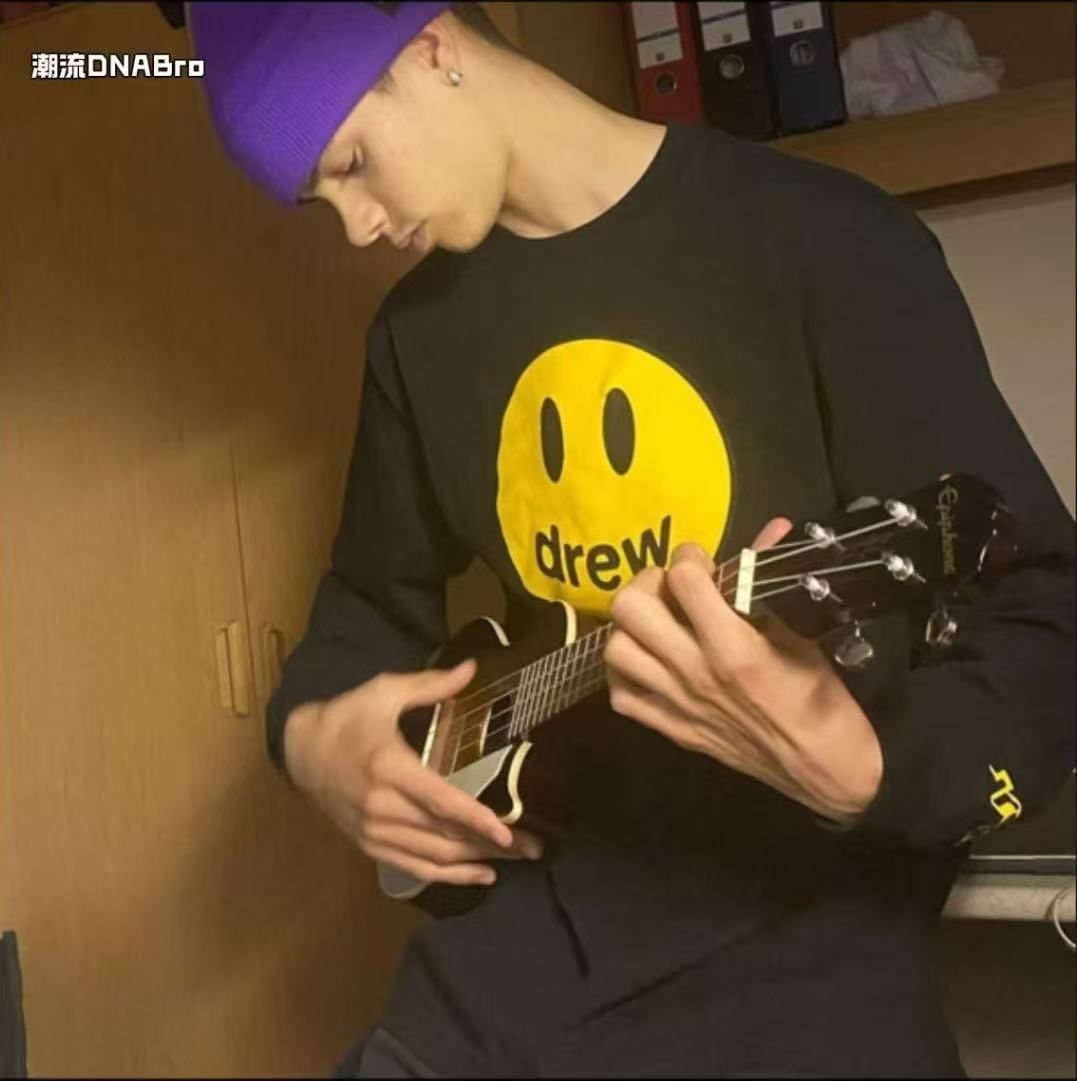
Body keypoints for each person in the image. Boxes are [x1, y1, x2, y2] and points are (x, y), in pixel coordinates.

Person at [189, 3, 1075, 1076]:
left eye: (352, 167)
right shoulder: (413, 338)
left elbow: (1045, 612)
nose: (358, 228)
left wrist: (869, 765)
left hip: (809, 949)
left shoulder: (829, 240)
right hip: (524, 945)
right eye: (321, 202)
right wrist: (313, 741)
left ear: (429, 47)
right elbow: (368, 600)